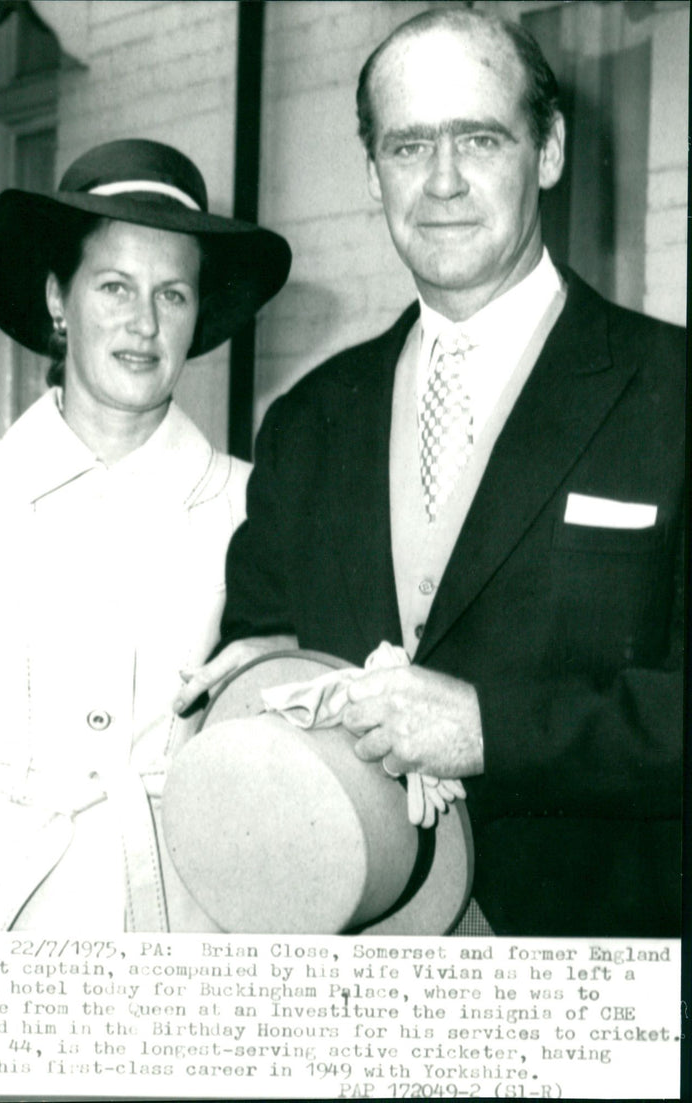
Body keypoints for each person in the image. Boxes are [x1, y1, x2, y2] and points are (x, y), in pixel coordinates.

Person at [174, 10, 685, 937]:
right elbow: (265, 646)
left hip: (599, 961)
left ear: (550, 150)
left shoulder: (675, 392)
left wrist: (497, 728)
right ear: (372, 175)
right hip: (355, 962)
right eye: (409, 146)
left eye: (480, 138)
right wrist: (265, 681)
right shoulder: (308, 421)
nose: (442, 182)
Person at [0, 138, 291, 931]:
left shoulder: (255, 502)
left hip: (173, 908)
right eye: (114, 285)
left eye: (173, 295)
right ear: (56, 298)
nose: (143, 323)